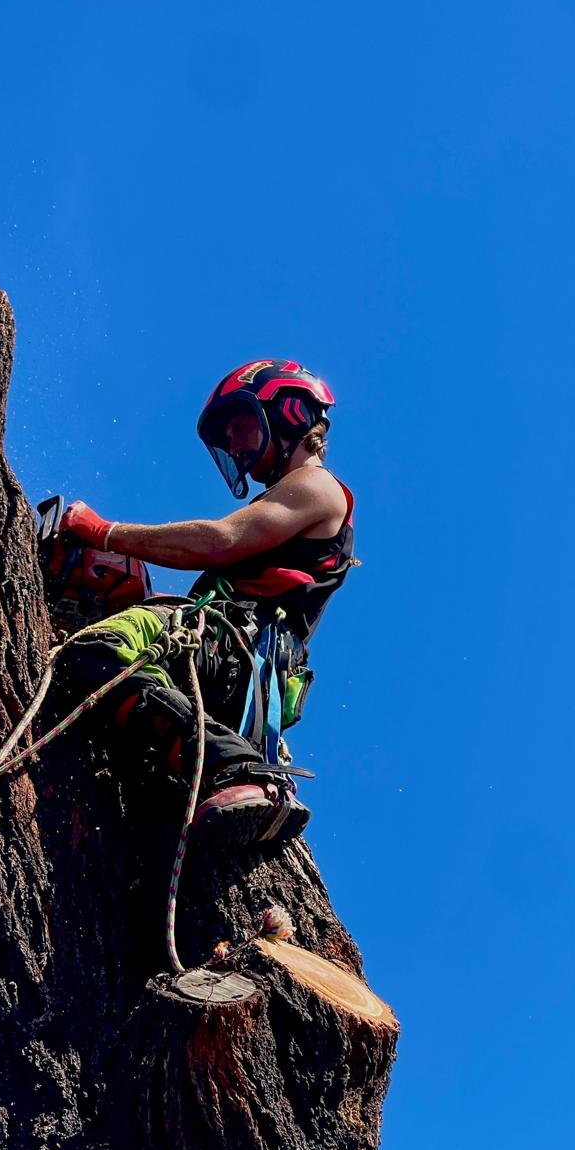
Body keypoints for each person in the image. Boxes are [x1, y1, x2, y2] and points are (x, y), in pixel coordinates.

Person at [55, 359, 355, 852]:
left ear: (292, 412)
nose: (234, 444)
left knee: (98, 651)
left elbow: (220, 540)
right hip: (232, 658)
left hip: (232, 642)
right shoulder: (296, 499)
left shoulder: (316, 485)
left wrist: (104, 532)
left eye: (239, 425)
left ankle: (239, 771)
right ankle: (215, 767)